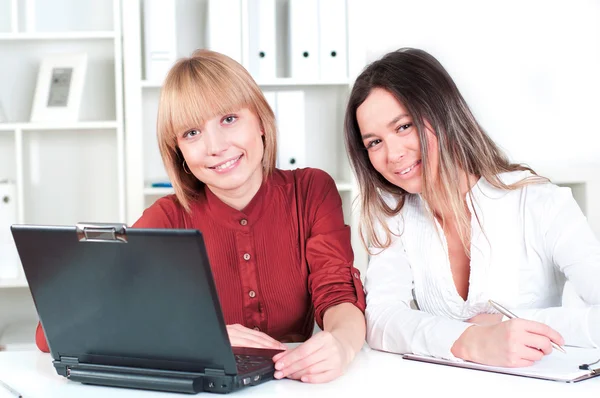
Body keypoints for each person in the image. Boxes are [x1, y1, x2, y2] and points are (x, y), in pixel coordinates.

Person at [36, 49, 366, 383]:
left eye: (229, 119)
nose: (215, 146)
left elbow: (337, 293)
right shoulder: (167, 217)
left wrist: (343, 345)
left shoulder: (310, 191)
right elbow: (51, 332)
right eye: (192, 133)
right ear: (178, 151)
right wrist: (198, 338)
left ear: (261, 122)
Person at [344, 47, 600, 367]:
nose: (392, 154)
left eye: (403, 126)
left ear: (442, 112)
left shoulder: (538, 202)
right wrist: (469, 340)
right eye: (374, 142)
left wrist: (509, 325)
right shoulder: (393, 215)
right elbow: (381, 320)